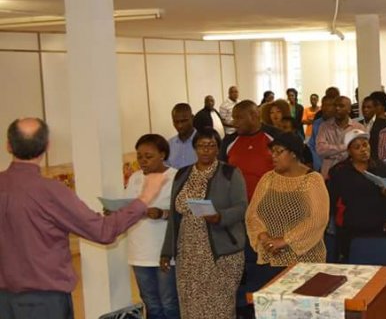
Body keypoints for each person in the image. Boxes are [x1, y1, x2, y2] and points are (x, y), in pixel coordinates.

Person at [0, 118, 165, 319]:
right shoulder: (50, 192)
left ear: (8, 145)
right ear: (47, 146)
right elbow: (103, 231)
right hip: (44, 302)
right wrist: (145, 198)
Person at [161, 129, 247, 319]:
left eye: (211, 146)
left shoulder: (229, 172)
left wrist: (220, 217)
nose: (206, 150)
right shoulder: (182, 174)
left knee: (219, 307)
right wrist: (167, 251)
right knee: (190, 303)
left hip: (220, 251)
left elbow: (241, 207)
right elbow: (175, 215)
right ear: (195, 148)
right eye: (201, 146)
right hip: (188, 252)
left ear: (218, 148)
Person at [220, 100, 282, 317]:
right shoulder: (228, 142)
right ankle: (245, 308)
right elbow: (221, 176)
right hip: (238, 217)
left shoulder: (275, 137)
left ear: (254, 116)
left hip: (270, 215)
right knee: (242, 264)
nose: (233, 121)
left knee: (267, 264)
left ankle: (270, 307)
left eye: (238, 117)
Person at [247, 132, 330, 268]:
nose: (273, 156)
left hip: (305, 260)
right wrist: (264, 238)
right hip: (271, 257)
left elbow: (317, 219)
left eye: (279, 152)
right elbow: (252, 214)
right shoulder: (268, 178)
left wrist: (285, 241)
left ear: (293, 154)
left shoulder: (312, 180)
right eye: (272, 152)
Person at [122, 134, 180, 319]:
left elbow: (186, 212)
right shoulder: (135, 178)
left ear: (162, 155)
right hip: (139, 252)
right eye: (139, 156)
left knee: (169, 303)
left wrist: (162, 213)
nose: (143, 161)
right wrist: (116, 212)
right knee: (151, 303)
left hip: (165, 251)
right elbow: (128, 205)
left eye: (148, 156)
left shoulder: (175, 177)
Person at [328, 129, 386, 261]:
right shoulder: (339, 172)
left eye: (365, 145)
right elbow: (332, 201)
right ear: (349, 151)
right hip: (351, 230)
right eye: (357, 147)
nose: (363, 150)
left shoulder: (381, 168)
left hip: (378, 228)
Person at [315, 96, 364, 177]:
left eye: (341, 106)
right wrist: (346, 147)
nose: (337, 108)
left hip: (352, 173)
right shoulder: (324, 126)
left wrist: (331, 152)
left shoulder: (359, 128)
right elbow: (320, 149)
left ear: (349, 109)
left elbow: (361, 152)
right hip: (328, 174)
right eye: (335, 105)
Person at [168, 103, 198, 169]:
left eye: (184, 121)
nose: (180, 126)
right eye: (176, 122)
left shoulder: (204, 142)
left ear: (192, 118)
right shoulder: (169, 145)